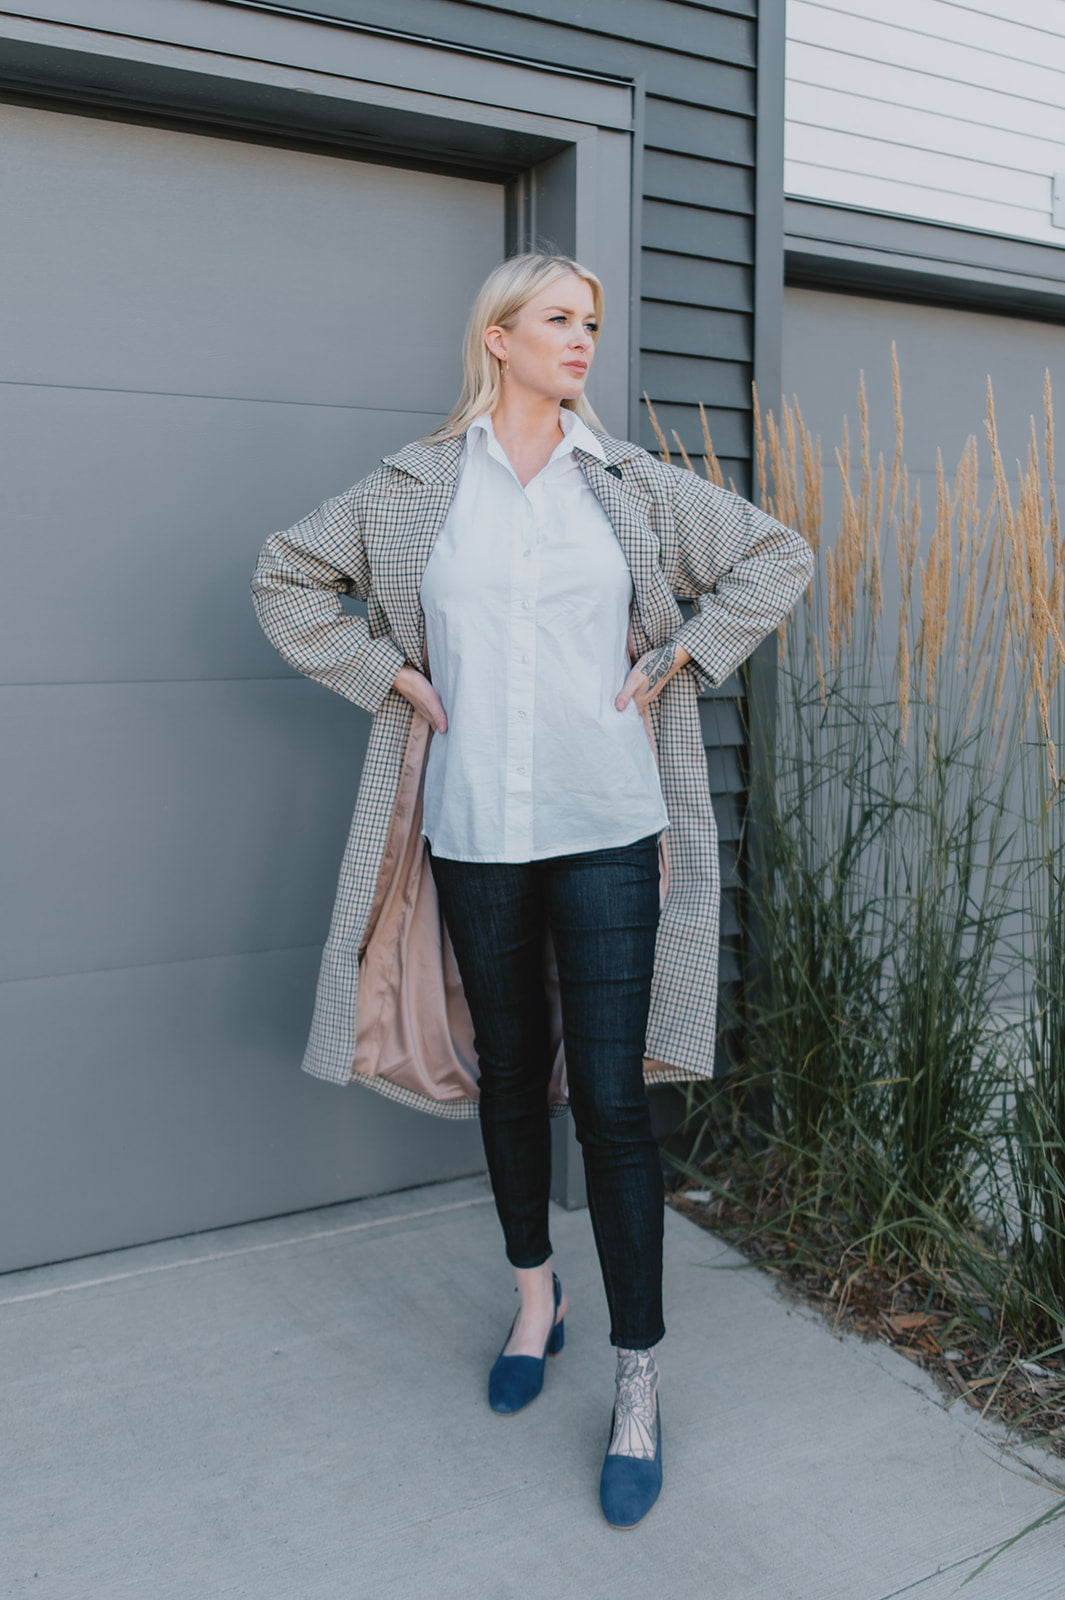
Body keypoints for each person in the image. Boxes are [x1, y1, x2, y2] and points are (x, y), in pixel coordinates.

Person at [252, 252, 813, 1527]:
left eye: (591, 323)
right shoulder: (415, 489)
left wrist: (683, 655)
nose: (582, 340)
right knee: (511, 1073)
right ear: (497, 337)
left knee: (610, 1104)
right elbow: (284, 574)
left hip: (607, 822)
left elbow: (774, 557)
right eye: (559, 319)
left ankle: (638, 1378)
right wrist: (393, 676)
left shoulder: (628, 484)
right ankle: (534, 1298)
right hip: (474, 829)